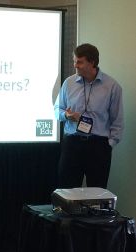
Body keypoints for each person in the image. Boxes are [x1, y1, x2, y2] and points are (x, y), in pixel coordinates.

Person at [54, 43, 124, 188]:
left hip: (98, 146)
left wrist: (108, 145)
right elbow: (57, 110)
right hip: (72, 144)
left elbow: (117, 121)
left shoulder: (112, 86)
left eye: (79, 62)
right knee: (67, 191)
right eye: (74, 61)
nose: (75, 65)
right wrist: (66, 116)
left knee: (97, 193)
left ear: (92, 62)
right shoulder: (69, 83)